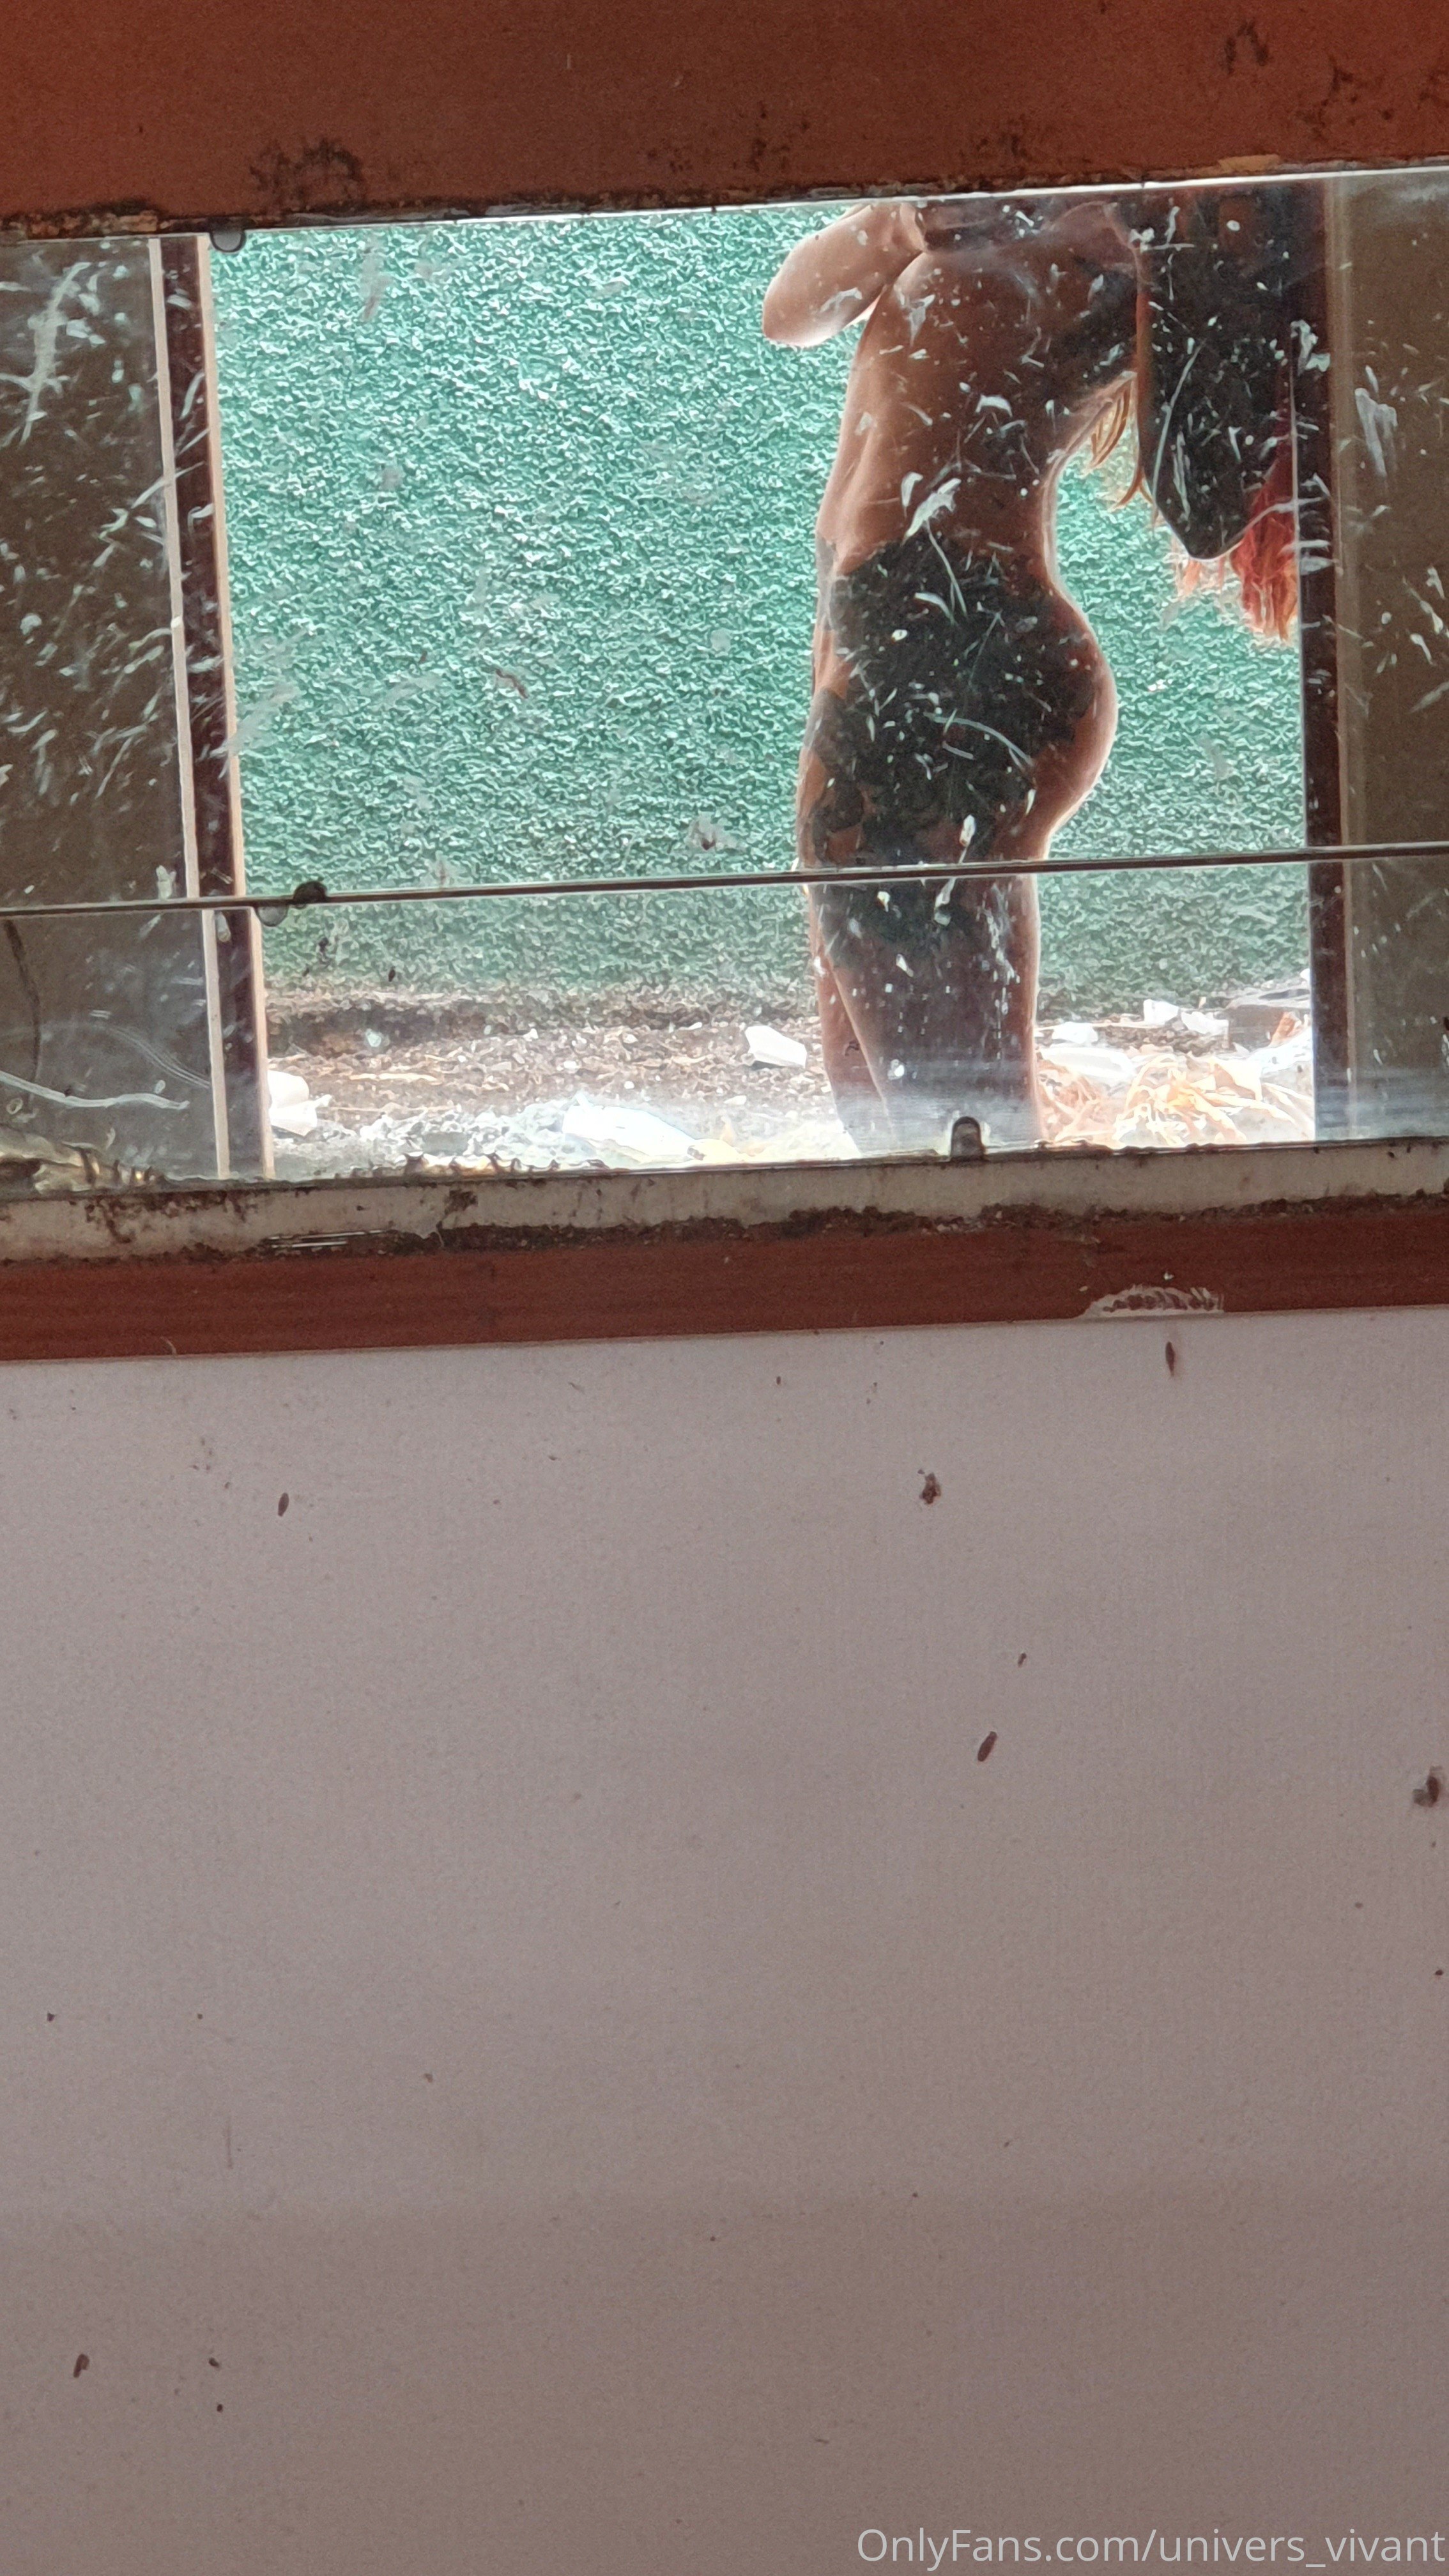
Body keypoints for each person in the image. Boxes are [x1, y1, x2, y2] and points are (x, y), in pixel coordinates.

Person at [763, 188, 1296, 1152]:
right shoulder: (982, 184)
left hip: (959, 666)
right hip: (882, 665)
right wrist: (905, 224)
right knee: (883, 1125)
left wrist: (1164, 250)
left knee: (955, 1140)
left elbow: (1207, 503)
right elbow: (786, 314)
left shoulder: (1160, 216)